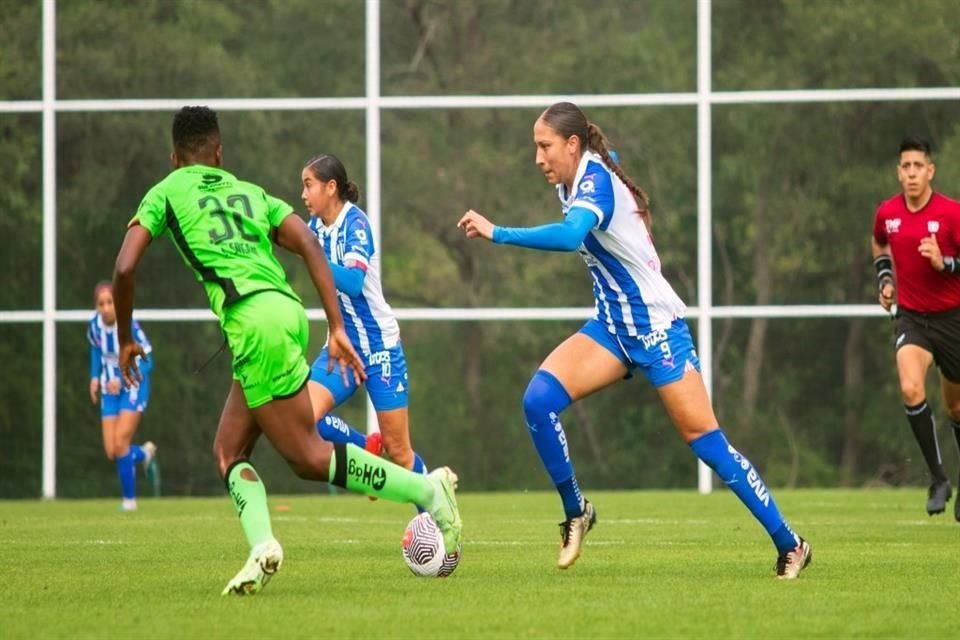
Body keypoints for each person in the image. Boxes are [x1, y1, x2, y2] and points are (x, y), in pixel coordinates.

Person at [112, 106, 462, 596]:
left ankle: (427, 489)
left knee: (308, 457)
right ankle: (261, 547)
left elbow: (125, 269)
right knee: (229, 449)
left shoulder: (165, 192)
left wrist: (126, 338)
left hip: (256, 329)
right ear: (219, 152)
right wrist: (335, 327)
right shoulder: (248, 191)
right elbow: (308, 246)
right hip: (286, 316)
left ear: (174, 158)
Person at [457, 101, 811, 578]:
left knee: (706, 442)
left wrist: (497, 232)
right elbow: (611, 169)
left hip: (657, 331)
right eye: (535, 147)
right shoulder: (584, 173)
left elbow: (568, 237)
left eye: (544, 146)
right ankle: (576, 511)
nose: (537, 158)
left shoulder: (593, 181)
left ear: (573, 144)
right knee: (538, 401)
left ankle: (791, 545)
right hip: (612, 329)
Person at [300, 155, 429, 486]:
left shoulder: (356, 224)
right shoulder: (313, 229)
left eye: (308, 185)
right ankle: (364, 447)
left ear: (331, 188)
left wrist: (309, 253)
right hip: (341, 347)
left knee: (400, 452)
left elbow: (354, 283)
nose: (303, 194)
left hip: (379, 348)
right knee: (304, 420)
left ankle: (441, 518)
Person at [872, 136, 960, 521]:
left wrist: (946, 264)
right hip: (912, 318)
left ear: (930, 171)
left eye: (917, 166)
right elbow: (879, 245)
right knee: (910, 387)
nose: (911, 173)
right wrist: (885, 281)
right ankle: (939, 479)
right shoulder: (887, 214)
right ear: (898, 171)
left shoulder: (952, 214)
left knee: (956, 406)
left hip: (953, 319)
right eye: (905, 166)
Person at [87, 281, 158, 511]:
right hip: (110, 391)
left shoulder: (130, 328)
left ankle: (129, 501)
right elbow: (96, 350)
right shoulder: (95, 327)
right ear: (96, 307)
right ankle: (144, 453)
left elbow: (149, 361)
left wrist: (124, 375)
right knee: (112, 450)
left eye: (110, 302)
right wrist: (95, 378)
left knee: (120, 443)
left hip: (133, 387)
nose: (106, 308)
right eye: (101, 304)